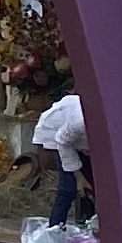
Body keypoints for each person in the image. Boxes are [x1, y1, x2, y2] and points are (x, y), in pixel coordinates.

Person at [31, 91, 92, 227]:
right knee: (68, 188)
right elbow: (62, 141)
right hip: (57, 134)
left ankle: (89, 227)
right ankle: (55, 230)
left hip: (79, 141)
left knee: (91, 186)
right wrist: (79, 176)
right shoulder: (79, 122)